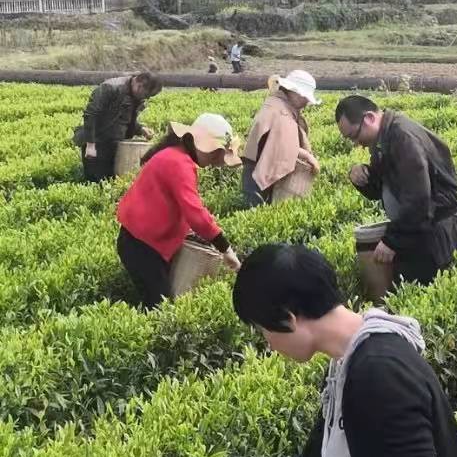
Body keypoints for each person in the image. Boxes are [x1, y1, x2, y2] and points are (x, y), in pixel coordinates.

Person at [217, 243, 457, 457]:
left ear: (288, 319)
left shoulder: (379, 374)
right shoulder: (346, 362)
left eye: (263, 331)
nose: (270, 345)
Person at [335, 95, 457, 287]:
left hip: (434, 233)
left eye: (354, 135)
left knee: (420, 294)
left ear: (369, 118)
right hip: (418, 229)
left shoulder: (403, 138)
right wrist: (361, 177)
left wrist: (393, 241)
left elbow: (418, 199)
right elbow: (382, 187)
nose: (356, 143)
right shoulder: (384, 137)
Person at [116, 113, 243, 309]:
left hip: (143, 242)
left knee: (158, 301)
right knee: (159, 306)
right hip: (141, 246)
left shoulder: (177, 155)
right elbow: (195, 213)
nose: (215, 161)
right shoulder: (178, 163)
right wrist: (225, 248)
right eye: (216, 153)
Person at [241, 70, 321, 207]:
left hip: (255, 171)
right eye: (304, 96)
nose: (307, 101)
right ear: (293, 91)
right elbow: (282, 145)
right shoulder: (281, 111)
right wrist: (308, 156)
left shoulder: (276, 104)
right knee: (258, 214)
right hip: (258, 175)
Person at [73, 72, 163, 183]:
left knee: (111, 182)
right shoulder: (110, 88)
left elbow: (122, 120)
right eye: (146, 95)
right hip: (98, 144)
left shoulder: (134, 96)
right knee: (97, 182)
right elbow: (91, 115)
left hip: (115, 145)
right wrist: (91, 145)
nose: (146, 98)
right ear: (140, 86)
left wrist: (140, 129)